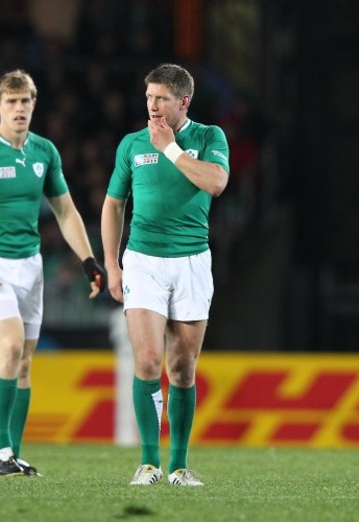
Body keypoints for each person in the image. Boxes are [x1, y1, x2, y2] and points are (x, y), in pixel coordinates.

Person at [0, 69, 106, 477]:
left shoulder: (44, 152)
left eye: (25, 101)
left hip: (31, 266)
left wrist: (88, 261)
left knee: (25, 364)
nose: (19, 108)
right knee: (10, 348)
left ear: (34, 104)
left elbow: (65, 210)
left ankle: (12, 453)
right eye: (11, 102)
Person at [101, 63, 229, 487]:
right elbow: (113, 204)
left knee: (182, 370)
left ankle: (179, 466)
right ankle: (149, 463)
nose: (152, 106)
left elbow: (215, 183)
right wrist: (113, 262)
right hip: (143, 260)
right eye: (149, 97)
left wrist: (172, 149)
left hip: (192, 261)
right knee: (149, 361)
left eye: (161, 99)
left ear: (184, 102)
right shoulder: (132, 144)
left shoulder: (209, 137)